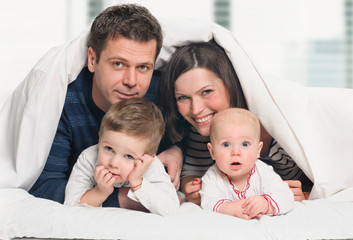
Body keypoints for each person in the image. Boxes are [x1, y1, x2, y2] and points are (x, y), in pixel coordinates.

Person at [29, 4, 182, 209]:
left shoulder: (160, 94)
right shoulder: (63, 102)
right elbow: (43, 185)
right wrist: (122, 199)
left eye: (143, 67)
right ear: (92, 60)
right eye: (118, 64)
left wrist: (177, 149)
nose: (131, 81)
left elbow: (193, 136)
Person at [158, 40, 313, 205]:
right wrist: (192, 187)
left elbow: (326, 174)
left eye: (207, 92)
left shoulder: (275, 122)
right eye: (183, 97)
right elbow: (193, 169)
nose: (196, 109)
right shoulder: (203, 128)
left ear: (230, 85)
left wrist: (307, 193)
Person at [64, 98, 180, 215]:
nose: (113, 163)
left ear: (147, 158)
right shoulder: (88, 158)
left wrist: (138, 182)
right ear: (100, 140)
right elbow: (70, 206)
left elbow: (171, 209)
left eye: (129, 156)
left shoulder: (152, 166)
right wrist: (100, 192)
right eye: (109, 149)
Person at [200, 108, 294, 219]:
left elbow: (287, 197)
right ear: (212, 151)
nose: (235, 152)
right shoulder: (212, 177)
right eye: (226, 144)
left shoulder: (263, 172)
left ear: (258, 150)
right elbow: (207, 202)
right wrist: (232, 209)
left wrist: (266, 204)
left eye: (245, 144)